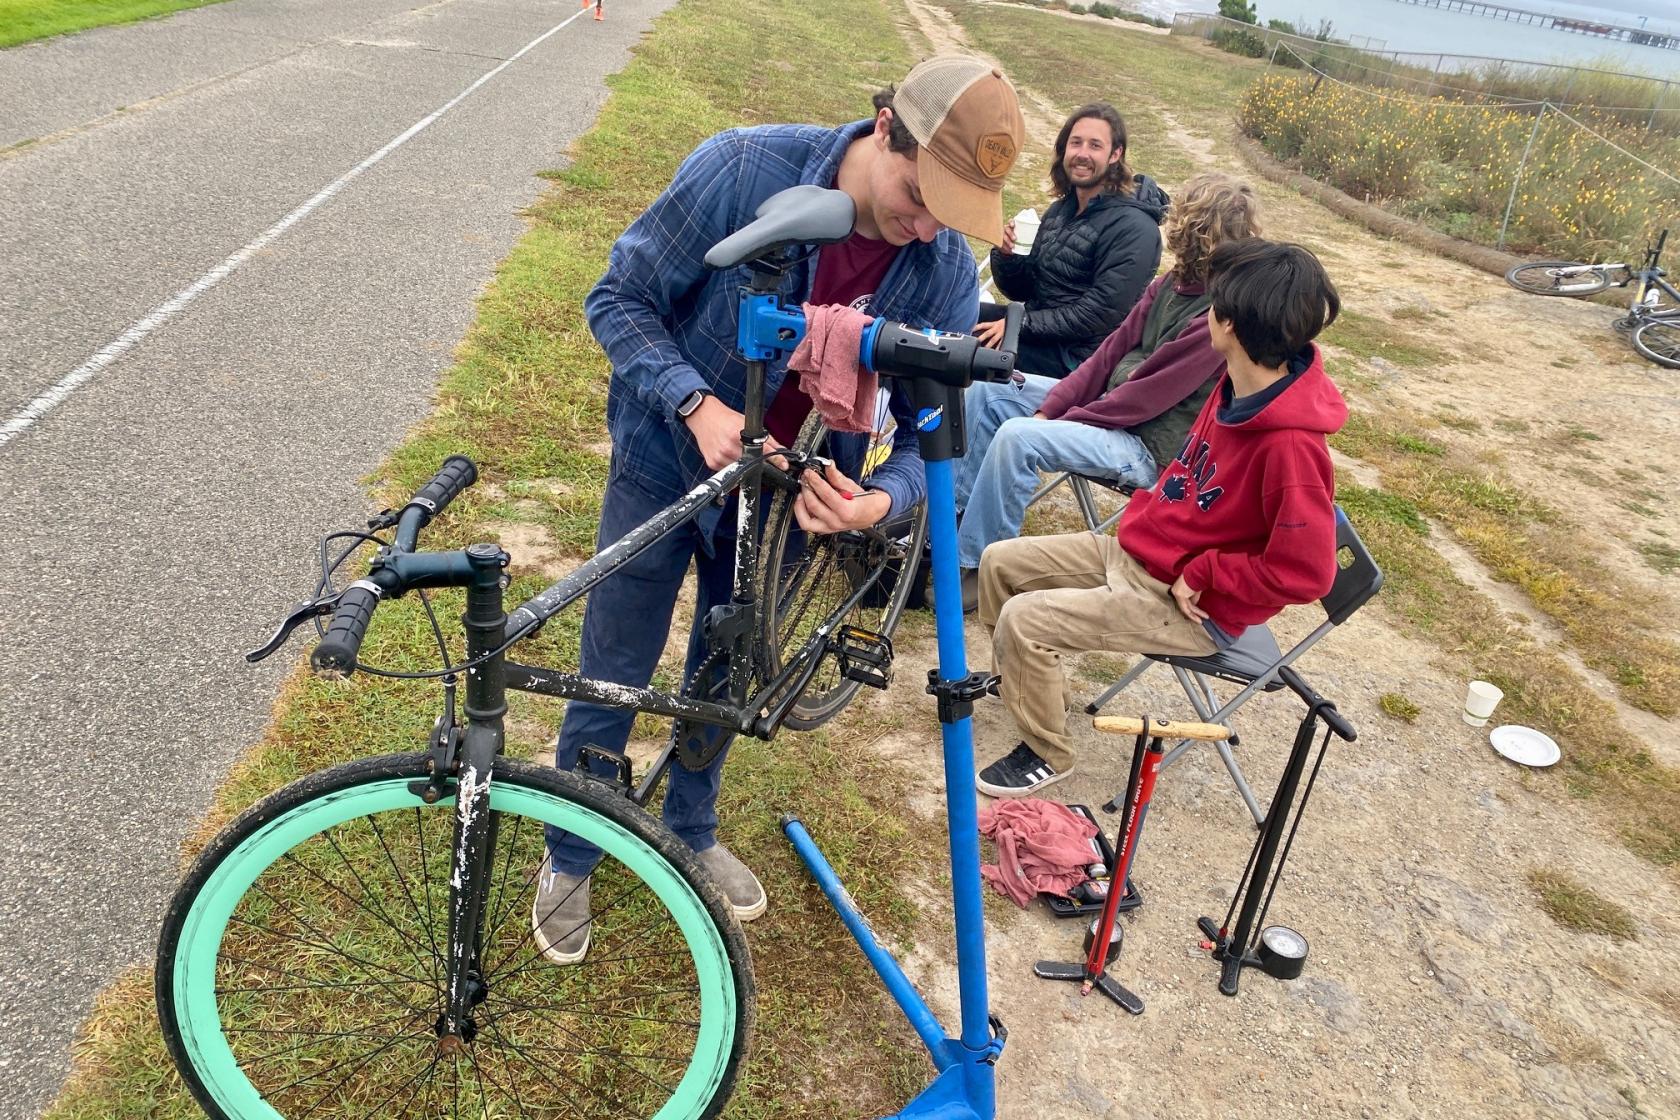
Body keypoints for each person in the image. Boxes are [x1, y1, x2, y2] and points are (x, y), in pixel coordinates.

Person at [534, 56, 1025, 963]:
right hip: (663, 455)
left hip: (790, 503)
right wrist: (696, 402)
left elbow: (929, 439)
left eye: (951, 215)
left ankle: (689, 822)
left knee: (730, 668)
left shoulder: (946, 271)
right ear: (885, 128)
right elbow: (619, 298)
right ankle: (574, 848)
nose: (925, 230)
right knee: (616, 656)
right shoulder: (742, 169)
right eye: (920, 195)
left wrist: (880, 497)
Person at [972, 238, 1345, 798]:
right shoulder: (1235, 384)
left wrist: (1207, 573)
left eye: (1213, 302)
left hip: (1191, 606)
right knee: (1000, 563)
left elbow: (1309, 573)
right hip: (1140, 554)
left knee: (1026, 619)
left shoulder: (1290, 446)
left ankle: (1049, 751)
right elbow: (1189, 484)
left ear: (1230, 325)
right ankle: (1025, 684)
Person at [949, 172, 1262, 608]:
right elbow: (1109, 358)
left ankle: (978, 568)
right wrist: (1058, 403)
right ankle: (944, 530)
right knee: (989, 394)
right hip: (1115, 415)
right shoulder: (1169, 285)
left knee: (1021, 437)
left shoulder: (1220, 311)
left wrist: (1060, 416)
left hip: (1152, 450)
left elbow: (1146, 393)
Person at [973, 103, 1168, 378]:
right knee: (959, 315)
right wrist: (1008, 255)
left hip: (1079, 360)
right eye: (1075, 143)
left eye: (1095, 146)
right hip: (1040, 332)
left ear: (1115, 154)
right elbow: (1024, 290)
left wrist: (1018, 324)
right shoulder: (1060, 211)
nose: (1082, 154)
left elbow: (1099, 313)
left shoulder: (1135, 228)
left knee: (967, 348)